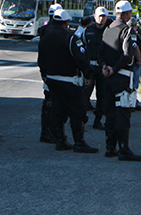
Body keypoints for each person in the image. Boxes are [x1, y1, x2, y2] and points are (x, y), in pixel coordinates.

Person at [37, 8, 97, 153]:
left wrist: (45, 76)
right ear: (66, 23)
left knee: (57, 111)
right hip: (69, 81)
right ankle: (79, 143)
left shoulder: (44, 38)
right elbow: (80, 58)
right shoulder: (70, 38)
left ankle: (60, 141)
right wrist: (88, 74)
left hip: (52, 80)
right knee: (77, 112)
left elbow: (41, 61)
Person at [99, 0, 141, 161]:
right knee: (123, 113)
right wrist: (114, 69)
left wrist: (105, 66)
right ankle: (124, 150)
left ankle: (110, 148)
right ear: (127, 14)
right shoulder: (128, 31)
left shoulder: (107, 30)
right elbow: (127, 55)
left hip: (108, 78)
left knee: (110, 113)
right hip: (122, 77)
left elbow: (101, 53)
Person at [37, 3, 63, 144]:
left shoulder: (47, 30)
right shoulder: (50, 31)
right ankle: (49, 132)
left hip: (48, 70)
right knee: (51, 104)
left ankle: (49, 132)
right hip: (52, 72)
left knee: (50, 103)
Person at [83, 6, 111, 129]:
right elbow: (82, 48)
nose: (101, 18)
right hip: (89, 67)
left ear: (107, 17)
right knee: (84, 94)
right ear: (94, 17)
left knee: (102, 96)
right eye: (99, 16)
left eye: (104, 16)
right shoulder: (88, 31)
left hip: (102, 68)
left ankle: (98, 120)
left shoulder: (110, 31)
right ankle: (81, 119)